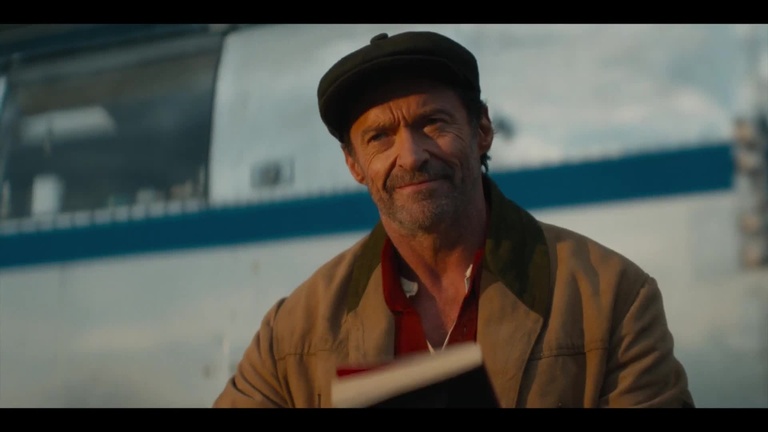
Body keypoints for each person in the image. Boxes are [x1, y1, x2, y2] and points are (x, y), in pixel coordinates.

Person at [213, 30, 695, 408]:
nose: (411, 155)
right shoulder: (292, 334)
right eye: (379, 137)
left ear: (482, 130)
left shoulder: (613, 300)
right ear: (354, 164)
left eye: (432, 123)